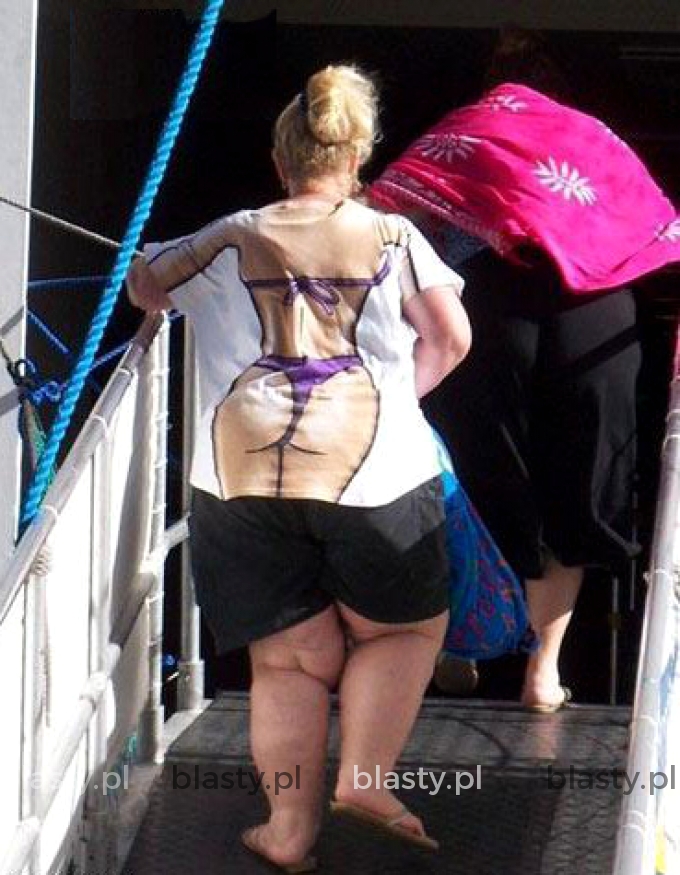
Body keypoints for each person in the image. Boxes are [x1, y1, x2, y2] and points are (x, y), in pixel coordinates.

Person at [127, 64, 471, 871]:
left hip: (241, 469)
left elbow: (146, 287)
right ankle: (365, 781)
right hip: (371, 465)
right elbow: (450, 336)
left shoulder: (230, 234)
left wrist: (162, 262)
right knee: (402, 629)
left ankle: (288, 828)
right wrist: (404, 399)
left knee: (286, 659)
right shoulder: (394, 237)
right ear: (357, 159)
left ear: (280, 160)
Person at [367, 29, 679, 712]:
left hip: (489, 311)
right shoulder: (591, 137)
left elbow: (392, 222)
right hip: (595, 314)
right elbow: (645, 222)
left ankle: (462, 642)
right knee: (576, 492)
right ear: (562, 91)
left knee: (477, 478)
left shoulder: (469, 128)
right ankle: (543, 671)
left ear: (492, 87)